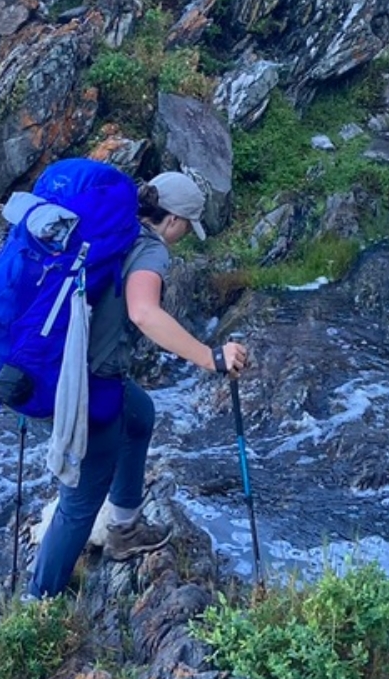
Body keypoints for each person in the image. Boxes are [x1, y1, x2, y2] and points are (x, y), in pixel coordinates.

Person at [27, 167, 249, 595]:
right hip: (88, 382)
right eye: (187, 226)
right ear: (174, 220)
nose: (184, 235)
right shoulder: (149, 249)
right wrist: (210, 357)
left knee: (139, 412)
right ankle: (40, 601)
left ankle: (124, 527)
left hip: (56, 366)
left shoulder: (105, 232)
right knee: (80, 500)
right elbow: (143, 313)